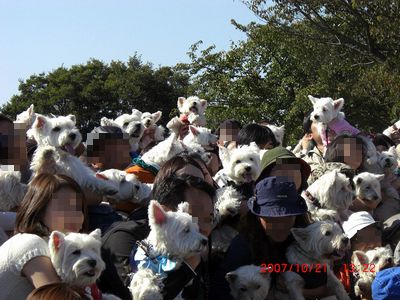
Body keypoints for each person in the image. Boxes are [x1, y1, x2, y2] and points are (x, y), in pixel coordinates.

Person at [98, 158, 216, 299]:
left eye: (208, 219)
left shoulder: (190, 250)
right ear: (165, 209)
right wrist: (187, 268)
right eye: (192, 218)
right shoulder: (123, 239)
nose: (201, 229)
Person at [210, 176, 334, 300]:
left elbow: (328, 286)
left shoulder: (306, 240)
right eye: (271, 218)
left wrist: (295, 290)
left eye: (288, 217)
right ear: (257, 216)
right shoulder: (242, 248)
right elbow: (220, 292)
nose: (280, 225)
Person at [0, 174, 88, 300]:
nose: (74, 215)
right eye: (64, 207)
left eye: (77, 208)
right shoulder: (31, 243)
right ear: (39, 210)